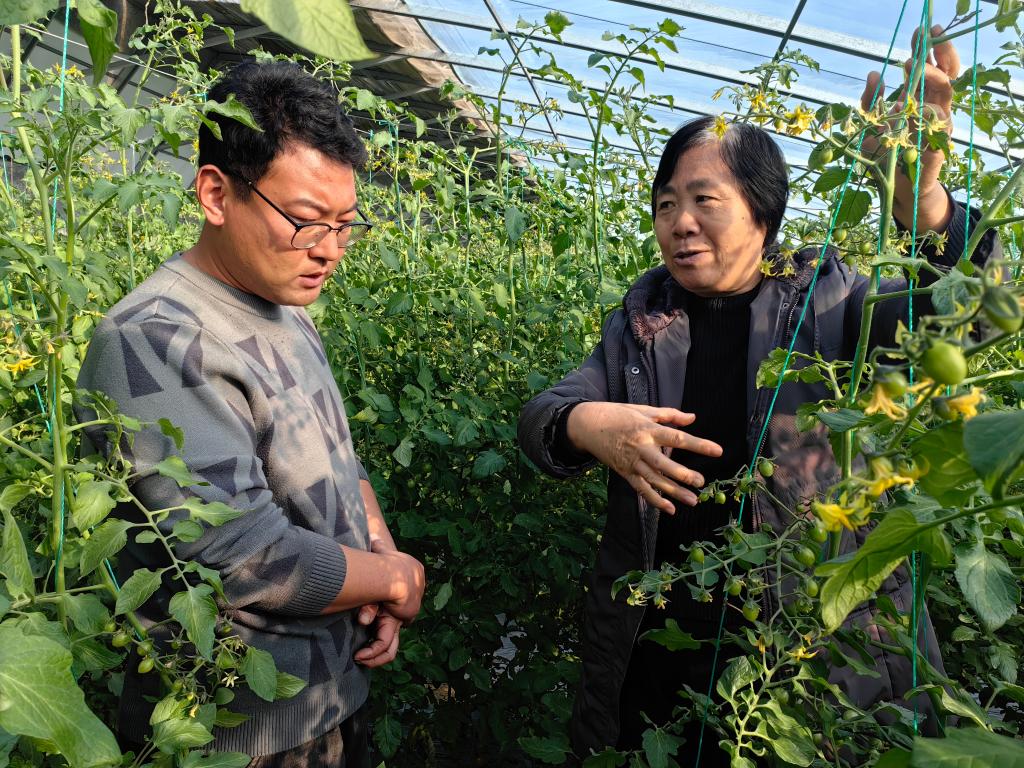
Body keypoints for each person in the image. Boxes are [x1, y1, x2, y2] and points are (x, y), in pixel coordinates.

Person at [518, 30, 1002, 760]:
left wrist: (923, 202)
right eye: (664, 204)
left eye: (704, 200)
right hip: (659, 653)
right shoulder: (639, 326)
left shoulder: (837, 308)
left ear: (764, 215)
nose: (679, 222)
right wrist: (587, 422)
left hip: (809, 655)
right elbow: (544, 415)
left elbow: (976, 315)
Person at [77, 61, 425, 767]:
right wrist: (394, 580)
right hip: (238, 735)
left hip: (331, 698)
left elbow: (337, 458)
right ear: (215, 193)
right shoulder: (153, 335)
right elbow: (245, 558)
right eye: (304, 221)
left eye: (344, 224)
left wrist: (379, 554)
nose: (328, 249)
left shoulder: (288, 310)